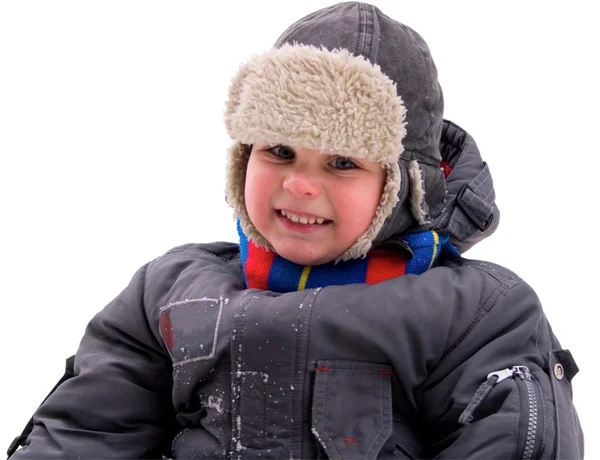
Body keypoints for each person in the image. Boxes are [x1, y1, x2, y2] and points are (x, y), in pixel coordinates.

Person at [8, 2, 583, 459]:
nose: (301, 184)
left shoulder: (475, 313)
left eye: (342, 162)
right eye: (279, 151)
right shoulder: (171, 292)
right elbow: (86, 433)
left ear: (406, 186)